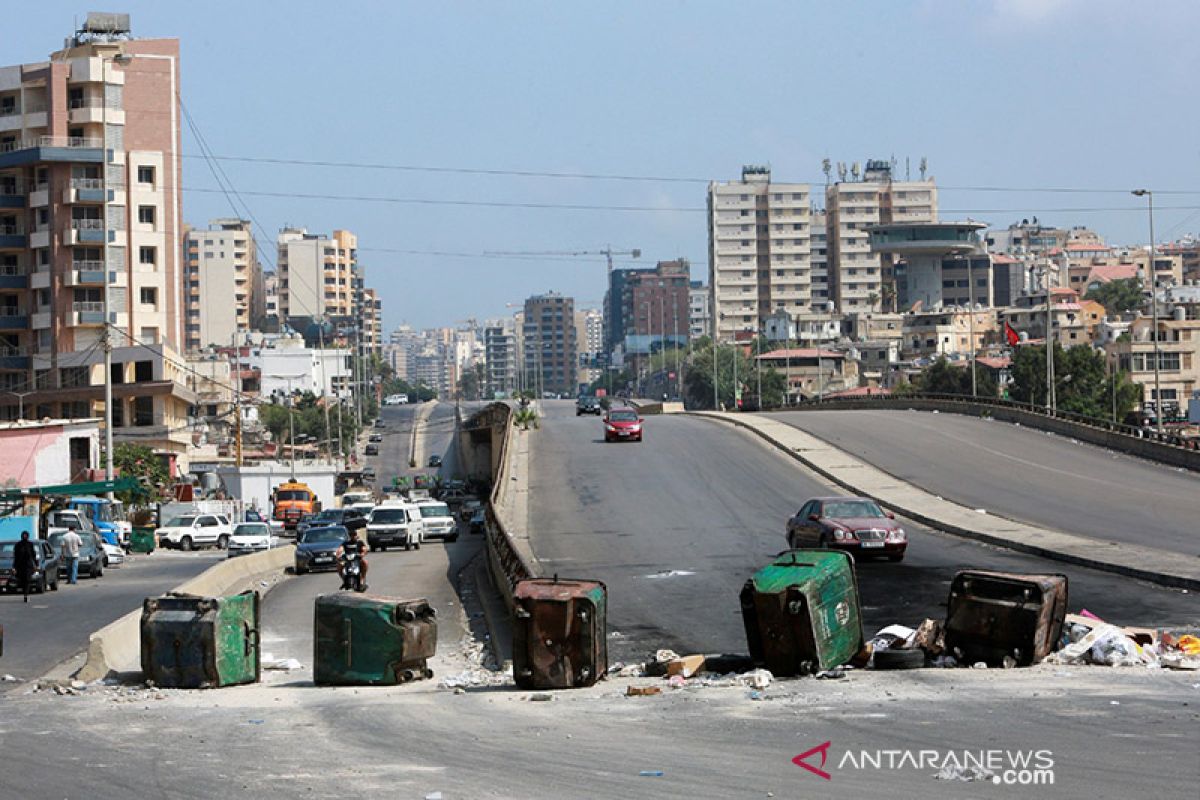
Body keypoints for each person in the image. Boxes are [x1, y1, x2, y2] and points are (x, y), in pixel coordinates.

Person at [13, 531, 37, 603]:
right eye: (24, 535)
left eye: (26, 535)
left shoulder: (30, 544)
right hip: (20, 566)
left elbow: (33, 555)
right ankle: (24, 592)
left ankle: (26, 595)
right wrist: (14, 567)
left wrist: (35, 565)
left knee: (27, 580)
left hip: (28, 566)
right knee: (22, 580)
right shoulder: (18, 545)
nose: (25, 537)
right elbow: (16, 556)